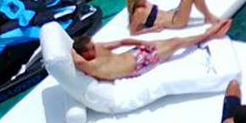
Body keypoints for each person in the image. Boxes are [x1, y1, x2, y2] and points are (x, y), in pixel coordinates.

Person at [71, 20, 231, 81]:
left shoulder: (99, 48)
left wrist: (143, 42)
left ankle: (207, 35)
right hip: (139, 65)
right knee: (176, 43)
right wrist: (70, 48)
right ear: (84, 54)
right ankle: (210, 35)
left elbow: (122, 42)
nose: (95, 47)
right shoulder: (91, 66)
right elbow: (75, 59)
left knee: (172, 40)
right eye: (91, 48)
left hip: (135, 52)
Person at [126, 0, 219, 34]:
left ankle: (208, 16)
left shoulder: (145, 3)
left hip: (174, 14)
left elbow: (157, 14)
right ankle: (209, 16)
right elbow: (133, 31)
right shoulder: (138, 12)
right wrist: (152, 29)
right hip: (176, 21)